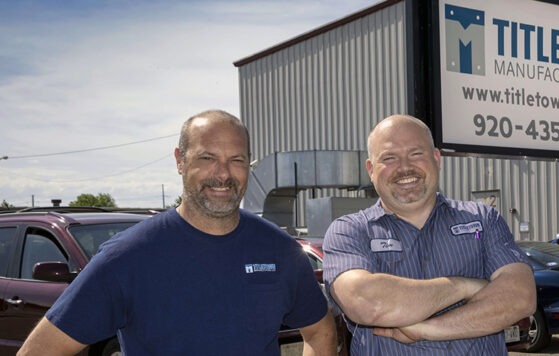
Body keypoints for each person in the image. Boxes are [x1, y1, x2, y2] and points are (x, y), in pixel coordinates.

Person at [18, 110, 337, 355]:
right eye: (207, 158)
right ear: (180, 161)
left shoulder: (279, 250)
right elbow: (42, 350)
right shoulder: (127, 258)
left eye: (236, 160)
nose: (223, 174)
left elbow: (321, 331)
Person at [321, 115, 536, 355]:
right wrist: (463, 286)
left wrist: (427, 329)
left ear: (436, 158)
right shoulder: (349, 231)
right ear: (371, 170)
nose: (404, 167)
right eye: (389, 158)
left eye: (415, 153)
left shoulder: (483, 220)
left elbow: (520, 298)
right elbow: (369, 303)